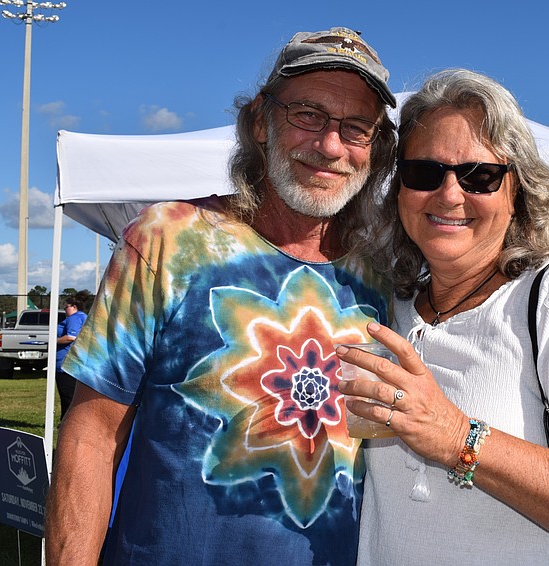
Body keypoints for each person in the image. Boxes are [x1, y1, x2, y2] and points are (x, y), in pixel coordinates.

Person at [44, 27, 396, 566]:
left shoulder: (383, 277)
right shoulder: (169, 240)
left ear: (376, 149)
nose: (330, 146)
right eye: (308, 115)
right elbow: (91, 433)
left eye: (356, 128)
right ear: (259, 122)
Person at [337, 69, 549, 565]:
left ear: (517, 191)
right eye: (424, 172)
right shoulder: (386, 306)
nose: (449, 194)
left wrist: (457, 436)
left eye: (479, 175)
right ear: (399, 190)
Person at [54, 291, 89, 420]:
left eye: (66, 307)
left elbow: (71, 337)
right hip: (70, 362)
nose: (64, 310)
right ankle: (66, 419)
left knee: (67, 395)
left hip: (67, 364)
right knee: (68, 395)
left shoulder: (75, 318)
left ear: (74, 306)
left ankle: (69, 420)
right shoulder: (80, 317)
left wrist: (53, 341)